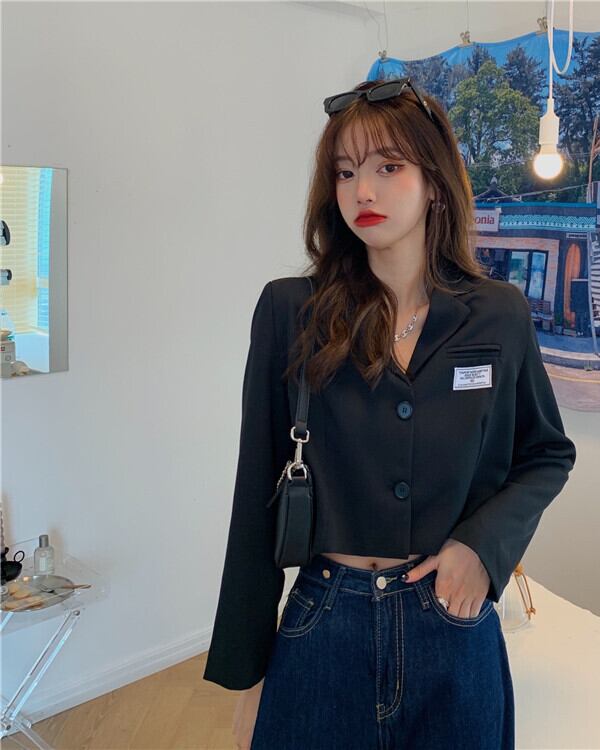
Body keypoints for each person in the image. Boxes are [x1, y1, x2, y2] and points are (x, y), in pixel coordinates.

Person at [203, 77, 577, 750]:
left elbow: (546, 453)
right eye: (345, 172)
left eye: (388, 167)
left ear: (434, 182)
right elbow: (255, 490)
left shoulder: (498, 314)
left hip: (452, 623)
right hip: (324, 624)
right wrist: (249, 677)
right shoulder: (291, 310)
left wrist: (482, 548)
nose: (362, 192)